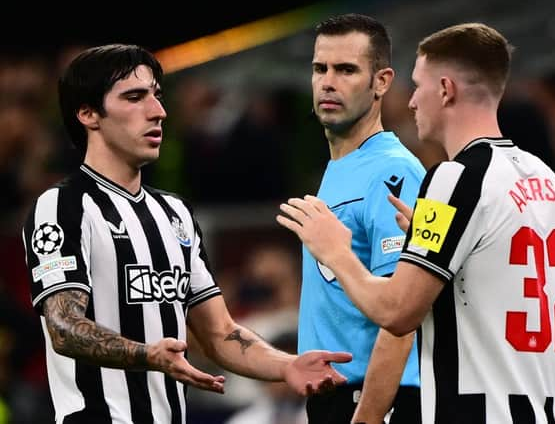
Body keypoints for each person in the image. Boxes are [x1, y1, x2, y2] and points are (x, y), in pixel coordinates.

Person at [21, 43, 351, 424]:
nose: (158, 112)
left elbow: (221, 333)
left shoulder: (174, 213)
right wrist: (149, 355)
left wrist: (287, 365)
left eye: (157, 97)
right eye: (134, 97)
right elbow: (63, 326)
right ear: (88, 114)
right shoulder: (62, 207)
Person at [278, 23, 555, 423]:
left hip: (473, 412)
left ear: (446, 90)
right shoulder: (547, 181)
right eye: (320, 69)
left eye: (418, 86)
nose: (412, 101)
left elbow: (399, 313)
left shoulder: (452, 179)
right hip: (541, 407)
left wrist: (336, 252)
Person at [301, 14, 425, 424]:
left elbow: (402, 315)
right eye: (320, 68)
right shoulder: (342, 167)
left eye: (346, 70)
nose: (328, 82)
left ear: (382, 82)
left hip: (376, 400)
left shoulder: (394, 172)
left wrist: (368, 416)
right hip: (337, 397)